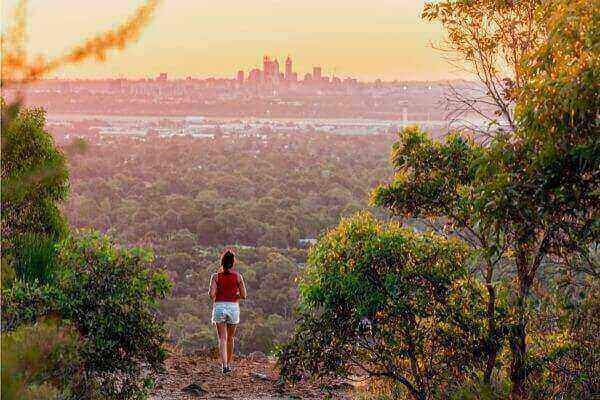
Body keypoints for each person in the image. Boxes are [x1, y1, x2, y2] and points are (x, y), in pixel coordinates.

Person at [208, 248, 247, 373]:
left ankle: (224, 365)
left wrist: (217, 291)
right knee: (230, 338)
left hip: (219, 306)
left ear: (222, 262)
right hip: (233, 307)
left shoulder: (215, 277)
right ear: (233, 263)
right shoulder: (238, 277)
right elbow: (244, 295)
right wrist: (234, 295)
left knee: (222, 338)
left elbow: (211, 294)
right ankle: (229, 364)